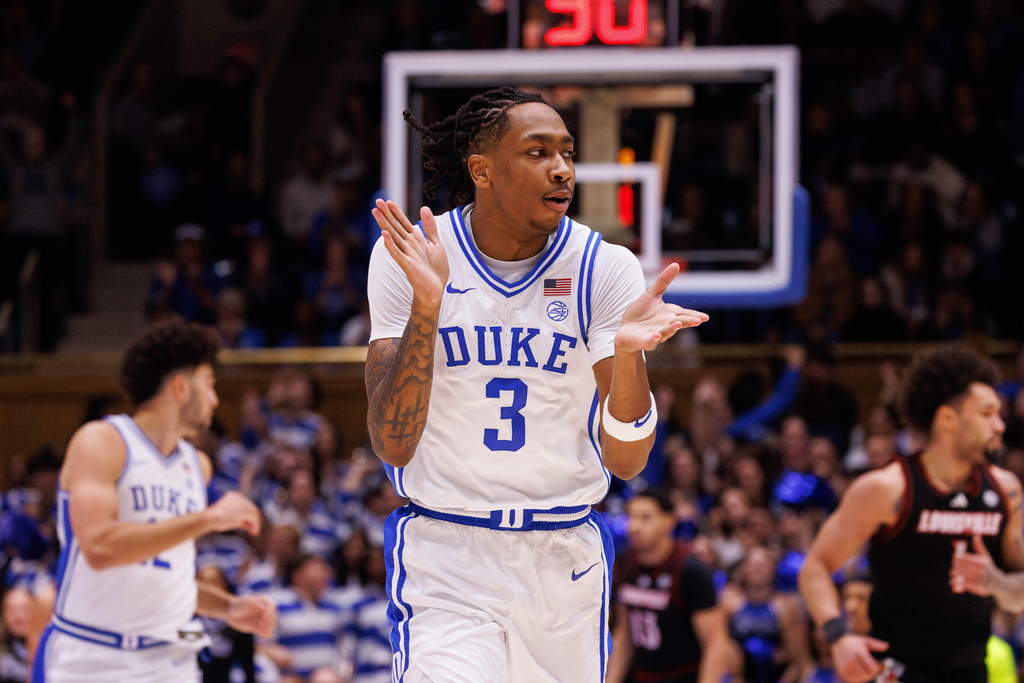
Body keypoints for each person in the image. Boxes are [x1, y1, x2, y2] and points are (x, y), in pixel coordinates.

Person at [364, 86, 708, 682]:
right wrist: (428, 305)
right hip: (448, 553)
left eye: (567, 154)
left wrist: (628, 358)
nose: (562, 170)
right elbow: (392, 443)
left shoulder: (605, 267)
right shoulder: (414, 256)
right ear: (483, 170)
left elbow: (626, 462)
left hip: (562, 558)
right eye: (538, 152)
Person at [33, 320, 277, 682]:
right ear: (180, 387)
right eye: (209, 385)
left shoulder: (197, 467)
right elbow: (100, 548)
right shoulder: (102, 442)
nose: (215, 399)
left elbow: (165, 577)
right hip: (91, 657)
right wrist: (208, 519)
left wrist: (229, 606)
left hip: (169, 661)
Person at [799, 345, 1021, 683]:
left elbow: (1019, 596)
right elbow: (815, 567)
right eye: (987, 413)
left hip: (971, 669)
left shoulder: (1006, 490)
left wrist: (998, 583)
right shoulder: (887, 489)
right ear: (948, 418)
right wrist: (838, 636)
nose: (1000, 425)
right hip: (894, 671)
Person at [605, 488, 733, 683]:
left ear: (668, 521)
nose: (634, 526)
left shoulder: (690, 569)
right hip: (640, 674)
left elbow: (717, 643)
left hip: (683, 675)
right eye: (630, 517)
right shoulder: (624, 564)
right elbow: (625, 632)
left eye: (645, 518)